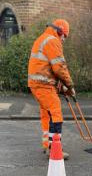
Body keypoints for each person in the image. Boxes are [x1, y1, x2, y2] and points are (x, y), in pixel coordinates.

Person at [28, 19, 75, 159]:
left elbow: (46, 66)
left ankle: (46, 145)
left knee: (46, 114)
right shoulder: (52, 41)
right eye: (64, 36)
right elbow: (59, 67)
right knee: (56, 113)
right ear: (59, 31)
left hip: (37, 84)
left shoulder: (42, 39)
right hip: (43, 85)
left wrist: (58, 84)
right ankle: (55, 149)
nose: (63, 40)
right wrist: (70, 85)